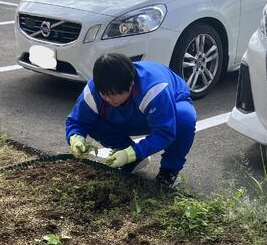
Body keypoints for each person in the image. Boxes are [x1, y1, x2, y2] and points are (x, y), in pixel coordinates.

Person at [65, 53, 197, 188]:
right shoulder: (93, 91)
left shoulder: (155, 89)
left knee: (184, 119)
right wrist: (75, 138)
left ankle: (168, 172)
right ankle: (131, 158)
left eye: (115, 94)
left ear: (131, 83)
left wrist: (132, 153)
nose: (110, 99)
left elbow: (165, 133)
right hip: (130, 116)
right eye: (105, 95)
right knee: (93, 123)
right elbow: (77, 121)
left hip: (166, 110)